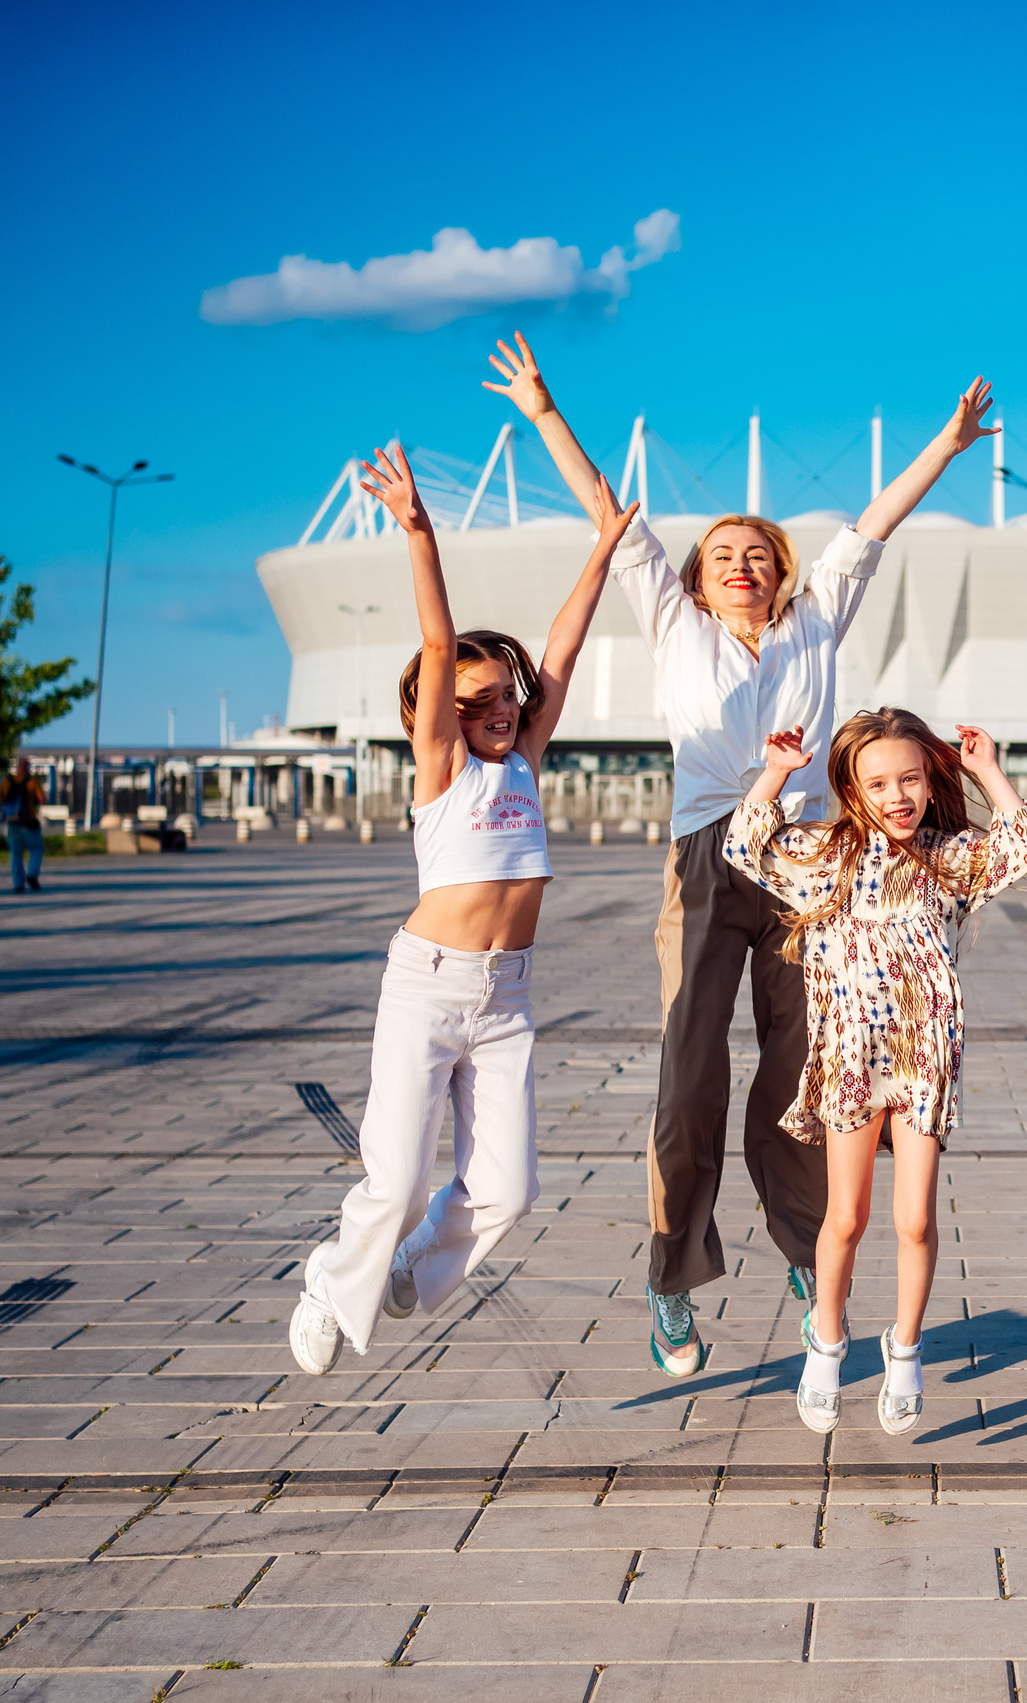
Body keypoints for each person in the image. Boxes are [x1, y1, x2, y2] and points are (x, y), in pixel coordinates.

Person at [482, 335, 999, 1379]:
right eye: (724, 554)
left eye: (758, 553)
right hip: (707, 857)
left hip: (811, 862)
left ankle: (809, 1249)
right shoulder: (671, 620)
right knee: (689, 1073)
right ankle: (673, 1273)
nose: (743, 564)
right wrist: (543, 412)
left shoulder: (816, 622)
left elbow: (872, 525)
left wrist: (946, 446)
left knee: (805, 1067)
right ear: (698, 575)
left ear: (781, 572)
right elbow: (608, 513)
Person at [289, 443, 632, 1374]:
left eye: (504, 698)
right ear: (435, 714)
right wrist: (419, 533)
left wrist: (602, 549)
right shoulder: (442, 773)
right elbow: (439, 646)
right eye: (472, 699)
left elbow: (560, 648)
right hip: (427, 988)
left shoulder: (524, 758)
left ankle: (410, 1270)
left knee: (509, 1188)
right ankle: (330, 1280)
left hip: (508, 997)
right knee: (396, 1175)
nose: (496, 708)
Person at [723, 708, 1027, 1435]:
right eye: (878, 783)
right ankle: (827, 1340)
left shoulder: (947, 855)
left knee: (915, 1217)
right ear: (851, 786)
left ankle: (905, 1349)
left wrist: (987, 770)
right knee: (846, 1215)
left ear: (931, 782)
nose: (897, 795)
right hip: (850, 1055)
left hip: (924, 1053)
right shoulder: (828, 855)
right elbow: (745, 846)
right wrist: (776, 772)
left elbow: (1024, 843)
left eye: (909, 778)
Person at [0, 758, 45, 892]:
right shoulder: (32, 782)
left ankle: (18, 884)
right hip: (29, 822)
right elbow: (42, 800)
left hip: (12, 822)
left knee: (15, 853)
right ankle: (32, 874)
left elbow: (0, 799)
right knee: (36, 849)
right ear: (28, 768)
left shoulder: (7, 781)